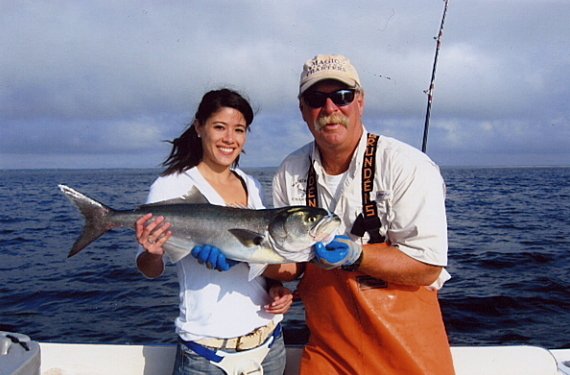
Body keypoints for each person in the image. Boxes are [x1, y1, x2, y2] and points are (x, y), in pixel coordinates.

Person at [271, 54, 456, 374]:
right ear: (303, 109)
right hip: (328, 354)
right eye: (316, 99)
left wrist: (356, 255)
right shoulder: (289, 172)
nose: (330, 109)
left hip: (409, 354)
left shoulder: (406, 166)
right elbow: (291, 265)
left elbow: (427, 266)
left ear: (360, 101)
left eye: (342, 96)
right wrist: (250, 264)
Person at [135, 88, 292, 375]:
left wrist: (277, 290)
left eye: (239, 130)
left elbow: (259, 251)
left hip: (268, 344)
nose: (229, 139)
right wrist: (153, 253)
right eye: (219, 127)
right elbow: (149, 269)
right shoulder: (173, 184)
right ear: (199, 127)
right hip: (206, 354)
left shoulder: (251, 184)